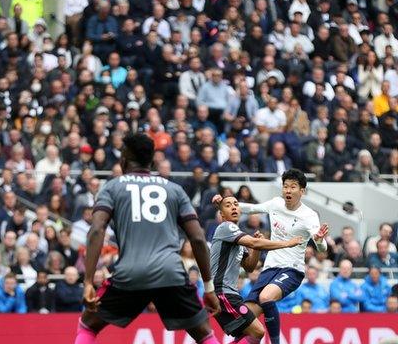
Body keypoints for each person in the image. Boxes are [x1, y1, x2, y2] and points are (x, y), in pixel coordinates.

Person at [74, 133, 221, 344]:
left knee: (88, 324)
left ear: (123, 159)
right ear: (151, 161)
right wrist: (208, 288)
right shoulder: (174, 190)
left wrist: (88, 281)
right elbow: (198, 239)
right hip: (171, 274)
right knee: (204, 334)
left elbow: (96, 230)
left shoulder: (113, 187)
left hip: (130, 274)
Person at [213, 168, 328, 344]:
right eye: (285, 186)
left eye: (293, 187)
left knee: (266, 297)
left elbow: (322, 247)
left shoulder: (309, 215)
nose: (288, 191)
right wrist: (225, 204)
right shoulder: (275, 203)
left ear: (302, 191)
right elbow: (251, 208)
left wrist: (319, 240)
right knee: (248, 329)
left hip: (292, 270)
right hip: (269, 269)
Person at [210, 195, 302, 344]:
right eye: (228, 205)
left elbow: (249, 267)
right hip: (222, 293)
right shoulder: (226, 228)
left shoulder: (236, 236)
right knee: (257, 332)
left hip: (229, 294)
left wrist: (256, 250)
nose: (234, 207)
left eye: (235, 204)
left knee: (251, 335)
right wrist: (287, 243)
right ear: (221, 214)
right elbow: (254, 242)